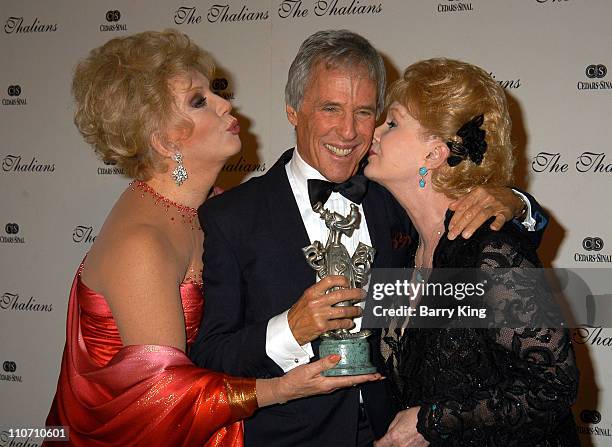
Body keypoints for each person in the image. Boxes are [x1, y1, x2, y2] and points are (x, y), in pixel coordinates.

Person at [191, 30, 546, 447]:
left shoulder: (395, 195)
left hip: (395, 430)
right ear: (293, 110)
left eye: (364, 113)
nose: (349, 132)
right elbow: (210, 356)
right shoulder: (231, 217)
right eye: (330, 108)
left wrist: (516, 202)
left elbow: (489, 262)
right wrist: (290, 329)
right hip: (289, 436)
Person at [44, 29, 383, 447]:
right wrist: (281, 387)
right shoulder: (142, 245)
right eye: (199, 101)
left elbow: (458, 297)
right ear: (167, 139)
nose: (226, 102)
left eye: (365, 112)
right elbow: (162, 399)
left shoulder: (211, 207)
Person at [366, 58, 579, 446]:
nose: (374, 131)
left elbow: (553, 387)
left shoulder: (491, 251)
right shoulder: (405, 251)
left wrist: (432, 422)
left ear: (433, 154)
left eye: (392, 123)